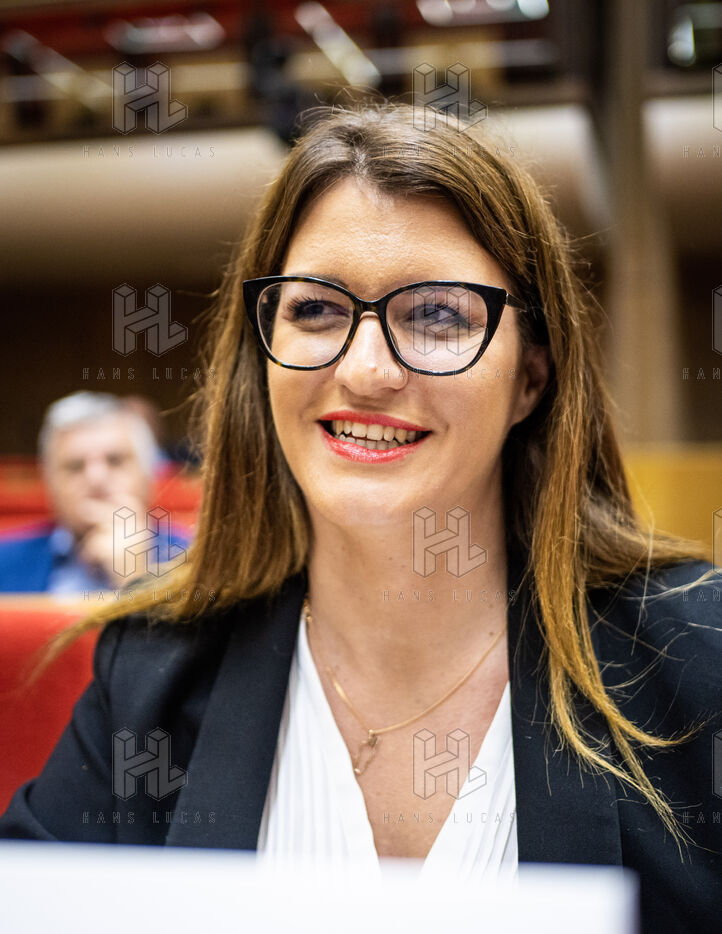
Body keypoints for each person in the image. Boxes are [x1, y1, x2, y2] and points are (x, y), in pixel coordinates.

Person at [0, 102, 719, 933]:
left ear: (531, 378)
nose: (367, 371)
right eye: (316, 310)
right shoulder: (154, 669)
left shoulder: (699, 657)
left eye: (438, 314)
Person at [0, 391, 190, 592]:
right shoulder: (5, 562)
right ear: (50, 482)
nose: (96, 478)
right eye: (75, 466)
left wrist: (134, 578)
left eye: (115, 461)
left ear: (148, 476)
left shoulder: (192, 558)